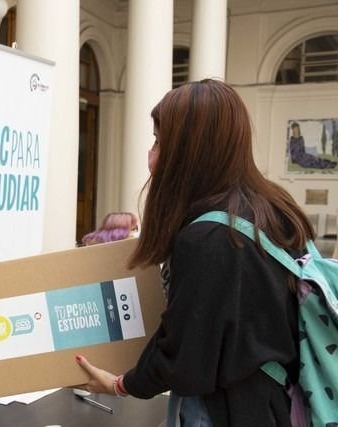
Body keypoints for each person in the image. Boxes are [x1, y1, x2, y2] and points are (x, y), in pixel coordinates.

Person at [75, 79, 314, 426]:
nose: (151, 157)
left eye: (159, 141)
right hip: (280, 402)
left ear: (187, 151)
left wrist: (119, 384)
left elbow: (186, 358)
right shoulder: (274, 206)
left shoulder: (210, 237)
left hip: (229, 411)